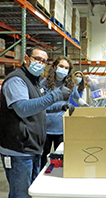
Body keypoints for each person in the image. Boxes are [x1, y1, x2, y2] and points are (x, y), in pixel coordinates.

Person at [0, 47, 71, 198]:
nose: (40, 63)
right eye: (37, 59)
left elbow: (39, 107)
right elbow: (23, 108)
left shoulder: (35, 82)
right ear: (26, 59)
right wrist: (56, 95)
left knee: (33, 192)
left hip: (32, 148)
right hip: (18, 150)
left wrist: (62, 106)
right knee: (21, 194)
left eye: (44, 61)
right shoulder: (16, 80)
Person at [40, 56, 76, 169]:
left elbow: (77, 98)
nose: (63, 69)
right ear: (55, 67)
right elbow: (41, 105)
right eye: (61, 66)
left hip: (61, 127)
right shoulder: (44, 84)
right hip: (45, 127)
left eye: (66, 68)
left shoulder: (70, 84)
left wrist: (88, 107)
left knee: (60, 158)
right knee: (42, 157)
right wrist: (62, 105)